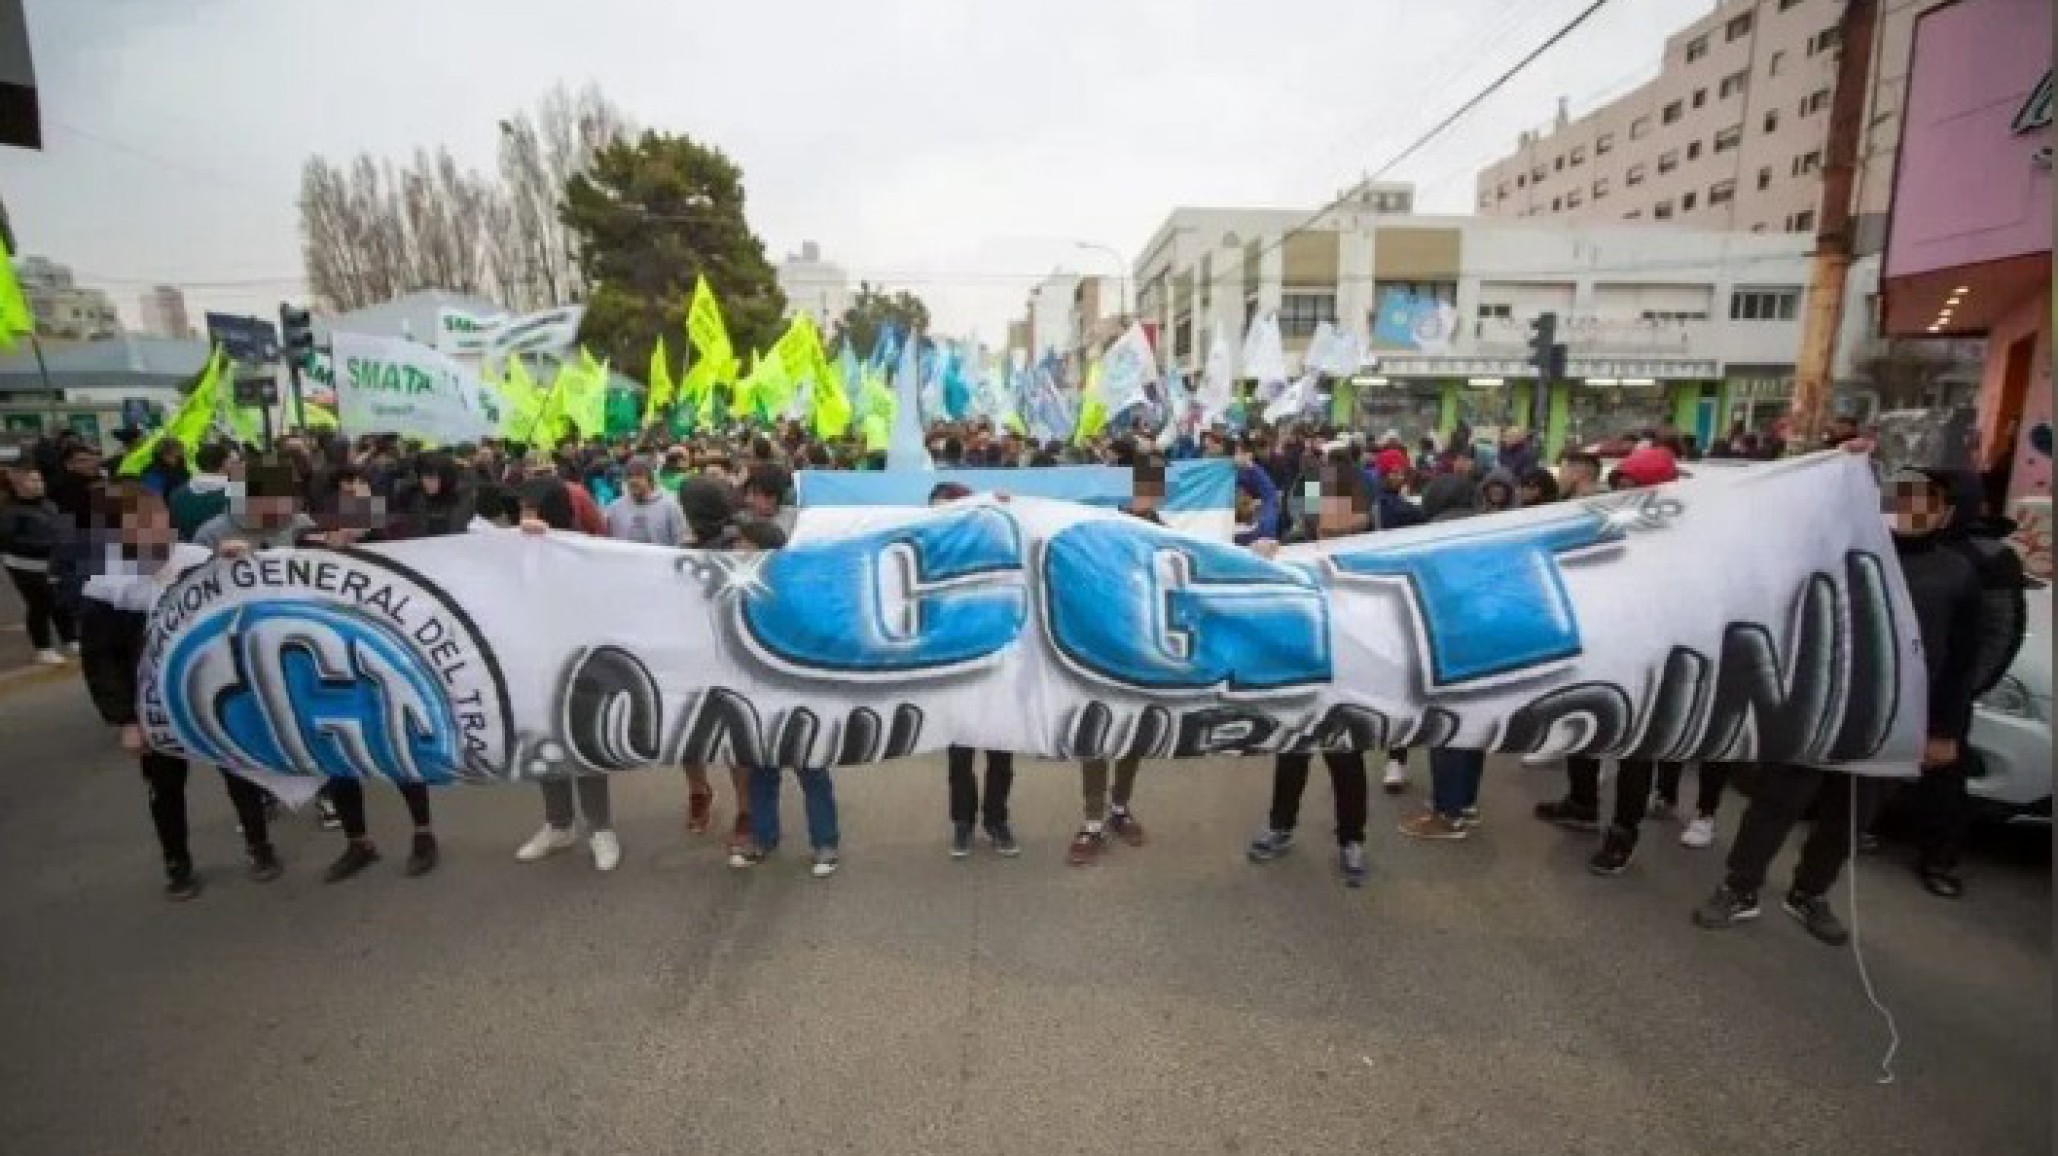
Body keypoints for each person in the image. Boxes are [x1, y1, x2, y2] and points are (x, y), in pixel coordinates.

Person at [1694, 468, 1983, 940]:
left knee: (1850, 816)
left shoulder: (1958, 573)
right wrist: (1839, 465)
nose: (1911, 511)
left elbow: (1961, 661)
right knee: (1775, 803)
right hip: (1818, 706)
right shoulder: (1837, 551)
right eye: (1900, 498)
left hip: (1892, 720)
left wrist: (1945, 732)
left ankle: (1809, 892)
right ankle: (1739, 887)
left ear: (1944, 513)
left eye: (1925, 503)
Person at [75, 484, 280, 899]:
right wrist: (126, 720)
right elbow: (102, 661)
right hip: (154, 704)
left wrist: (244, 563)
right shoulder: (106, 588)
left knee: (240, 770)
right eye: (141, 525)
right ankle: (177, 863)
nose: (157, 530)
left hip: (213, 692)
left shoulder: (201, 561)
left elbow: (252, 610)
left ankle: (259, 845)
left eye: (159, 518)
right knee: (165, 788)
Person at [299, 466, 441, 882]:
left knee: (398, 750)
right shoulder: (309, 544)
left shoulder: (393, 535)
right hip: (328, 665)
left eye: (359, 493)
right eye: (344, 497)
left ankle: (423, 833)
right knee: (338, 758)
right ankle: (358, 842)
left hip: (382, 662)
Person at [1246, 454, 1373, 887]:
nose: (1332, 509)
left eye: (1342, 499)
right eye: (1322, 499)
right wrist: (1263, 558)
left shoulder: (1377, 550)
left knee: (1347, 763)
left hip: (1349, 678)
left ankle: (1352, 839)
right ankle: (1281, 826)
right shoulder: (1292, 545)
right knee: (1291, 753)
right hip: (1301, 673)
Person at [512, 475, 623, 872]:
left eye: (532, 509)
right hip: (533, 660)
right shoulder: (514, 549)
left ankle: (600, 828)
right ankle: (558, 824)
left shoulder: (581, 549)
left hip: (579, 662)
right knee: (545, 742)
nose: (524, 517)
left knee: (583, 743)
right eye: (521, 509)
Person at [727, 520, 843, 878]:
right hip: (755, 696)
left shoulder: (797, 592)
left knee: (810, 770)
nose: (735, 550)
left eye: (743, 543)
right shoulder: (735, 587)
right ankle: (763, 838)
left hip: (796, 696)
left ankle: (825, 844)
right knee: (762, 771)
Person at [1069, 456, 1163, 866]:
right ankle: (1092, 820)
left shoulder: (1165, 534)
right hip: (1096, 649)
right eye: (1140, 484)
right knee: (1095, 734)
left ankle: (1119, 808)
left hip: (1140, 653)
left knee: (1131, 736)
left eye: (1153, 486)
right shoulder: (1098, 527)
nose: (1146, 493)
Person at [924, 483, 1021, 859]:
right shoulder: (925, 554)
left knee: (1001, 754)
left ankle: (996, 820)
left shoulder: (994, 550)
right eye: (936, 511)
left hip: (998, 667)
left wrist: (1012, 509)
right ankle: (962, 823)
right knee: (959, 756)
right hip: (953, 670)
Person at [1399, 473, 1488, 840]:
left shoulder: (1436, 535)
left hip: (1451, 641)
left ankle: (1447, 814)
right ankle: (1464, 802)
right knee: (1473, 727)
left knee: (1446, 728)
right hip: (1487, 638)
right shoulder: (1488, 527)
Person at [1, 466, 76, 664]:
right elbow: (11, 542)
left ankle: (70, 639)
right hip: (25, 566)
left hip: (53, 563)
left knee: (61, 601)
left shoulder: (49, 504)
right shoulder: (10, 512)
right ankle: (43, 648)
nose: (37, 485)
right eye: (31, 481)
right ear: (17, 485)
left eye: (39, 480)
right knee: (40, 604)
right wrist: (49, 545)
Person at [604, 457, 688, 545]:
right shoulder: (614, 508)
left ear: (650, 479)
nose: (633, 480)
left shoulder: (670, 506)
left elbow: (681, 540)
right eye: (629, 476)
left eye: (639, 475)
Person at [168, 443, 239, 542]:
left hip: (190, 552)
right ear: (225, 463)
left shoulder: (176, 495)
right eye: (231, 461)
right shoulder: (236, 493)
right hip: (228, 551)